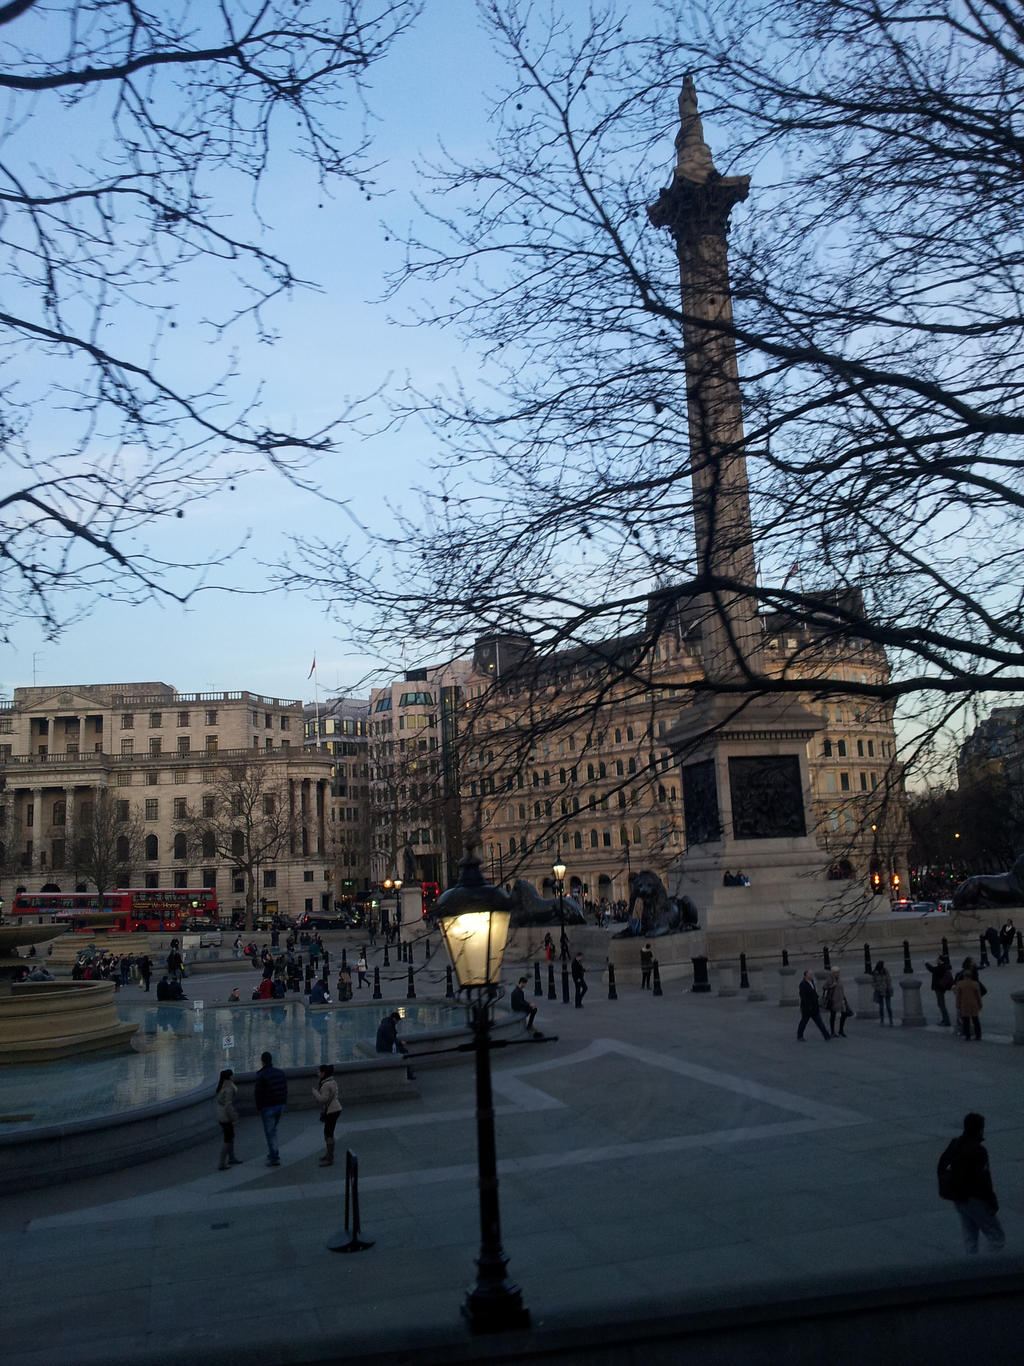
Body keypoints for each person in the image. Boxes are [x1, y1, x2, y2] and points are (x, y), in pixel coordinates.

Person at [937, 1112, 1005, 1254]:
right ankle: (989, 1269)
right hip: (975, 1198)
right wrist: (992, 1202)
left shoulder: (955, 1144)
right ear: (980, 1129)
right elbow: (984, 1180)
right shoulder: (979, 1151)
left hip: (958, 1198)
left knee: (970, 1238)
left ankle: (971, 1268)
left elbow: (941, 1166)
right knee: (996, 1237)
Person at [254, 1050, 287, 1167]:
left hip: (268, 1107)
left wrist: (259, 1107)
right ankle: (273, 1152)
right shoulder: (280, 1073)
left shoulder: (261, 1075)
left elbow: (258, 1093)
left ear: (262, 1061)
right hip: (280, 1105)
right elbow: (285, 1088)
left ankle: (274, 1157)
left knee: (271, 1132)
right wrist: (283, 1102)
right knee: (273, 1130)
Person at [311, 1063, 342, 1166]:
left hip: (332, 1111)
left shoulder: (325, 1085)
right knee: (328, 1133)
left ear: (323, 1073)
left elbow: (323, 1100)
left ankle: (330, 1158)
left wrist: (315, 1093)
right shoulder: (332, 1081)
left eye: (318, 1072)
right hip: (335, 1109)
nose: (317, 1073)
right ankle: (328, 1155)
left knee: (328, 1134)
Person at [215, 1068, 243, 1170]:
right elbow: (228, 1105)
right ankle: (222, 1163)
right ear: (230, 1077)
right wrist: (234, 1117)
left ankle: (231, 1157)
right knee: (228, 1139)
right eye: (232, 1075)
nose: (234, 1077)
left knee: (230, 1137)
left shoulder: (221, 1086)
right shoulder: (229, 1088)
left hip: (221, 1116)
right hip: (226, 1117)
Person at [376, 1010, 415, 1078]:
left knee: (403, 1051)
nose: (397, 1022)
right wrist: (400, 1043)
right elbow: (391, 1038)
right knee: (404, 1053)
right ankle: (408, 1074)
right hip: (385, 1047)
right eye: (397, 1021)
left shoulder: (387, 1023)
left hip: (383, 1046)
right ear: (394, 1019)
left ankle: (408, 1073)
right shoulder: (388, 1026)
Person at [797, 970, 830, 1041]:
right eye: (810, 974)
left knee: (820, 1022)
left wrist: (818, 998)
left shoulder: (811, 982)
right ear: (806, 976)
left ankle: (826, 1035)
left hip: (814, 1007)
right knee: (804, 1022)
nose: (811, 976)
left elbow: (813, 993)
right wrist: (808, 1006)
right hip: (807, 1008)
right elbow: (803, 997)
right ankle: (800, 1036)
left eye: (811, 974)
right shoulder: (803, 984)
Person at [954, 965, 984, 1040]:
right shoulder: (975, 984)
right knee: (976, 1020)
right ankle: (978, 1035)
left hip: (964, 1004)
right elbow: (978, 996)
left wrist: (957, 1005)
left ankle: (967, 1036)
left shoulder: (960, 984)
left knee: (966, 1021)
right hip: (974, 1004)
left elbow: (958, 996)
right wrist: (980, 1004)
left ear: (964, 976)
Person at [925, 953, 954, 1026]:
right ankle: (944, 1020)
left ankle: (946, 1021)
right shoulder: (943, 966)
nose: (936, 960)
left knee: (941, 1004)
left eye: (937, 959)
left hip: (939, 987)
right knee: (940, 1004)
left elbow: (932, 969)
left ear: (940, 960)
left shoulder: (941, 967)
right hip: (941, 987)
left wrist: (926, 963)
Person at [822, 968, 851, 1037]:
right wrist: (832, 986)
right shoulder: (830, 979)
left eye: (838, 972)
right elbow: (824, 987)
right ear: (833, 973)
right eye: (836, 972)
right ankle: (832, 1032)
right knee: (833, 1015)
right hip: (833, 1000)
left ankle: (841, 1030)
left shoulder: (839, 979)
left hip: (841, 1000)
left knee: (844, 1014)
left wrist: (844, 999)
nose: (838, 974)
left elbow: (842, 989)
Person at [871, 960, 894, 1025]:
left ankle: (890, 1019)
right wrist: (877, 987)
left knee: (888, 1006)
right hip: (880, 991)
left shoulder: (885, 971)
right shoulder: (875, 973)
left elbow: (889, 980)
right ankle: (882, 1019)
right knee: (881, 1007)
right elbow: (873, 983)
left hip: (887, 990)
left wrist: (889, 988)